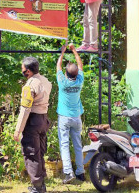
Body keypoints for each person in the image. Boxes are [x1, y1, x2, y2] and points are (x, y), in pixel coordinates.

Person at [13, 57, 52, 193]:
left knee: (31, 153)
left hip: (33, 121)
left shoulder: (29, 86)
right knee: (39, 152)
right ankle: (41, 184)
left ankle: (36, 187)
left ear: (28, 71)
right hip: (43, 119)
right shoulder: (46, 81)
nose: (22, 72)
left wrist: (18, 130)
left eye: (23, 70)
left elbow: (25, 109)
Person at [56, 43, 85, 184]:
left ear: (66, 74)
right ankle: (81, 172)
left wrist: (62, 53)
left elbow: (58, 67)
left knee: (65, 145)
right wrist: (74, 50)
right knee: (78, 145)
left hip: (64, 117)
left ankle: (68, 172)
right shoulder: (79, 81)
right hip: (76, 117)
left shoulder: (62, 82)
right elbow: (80, 65)